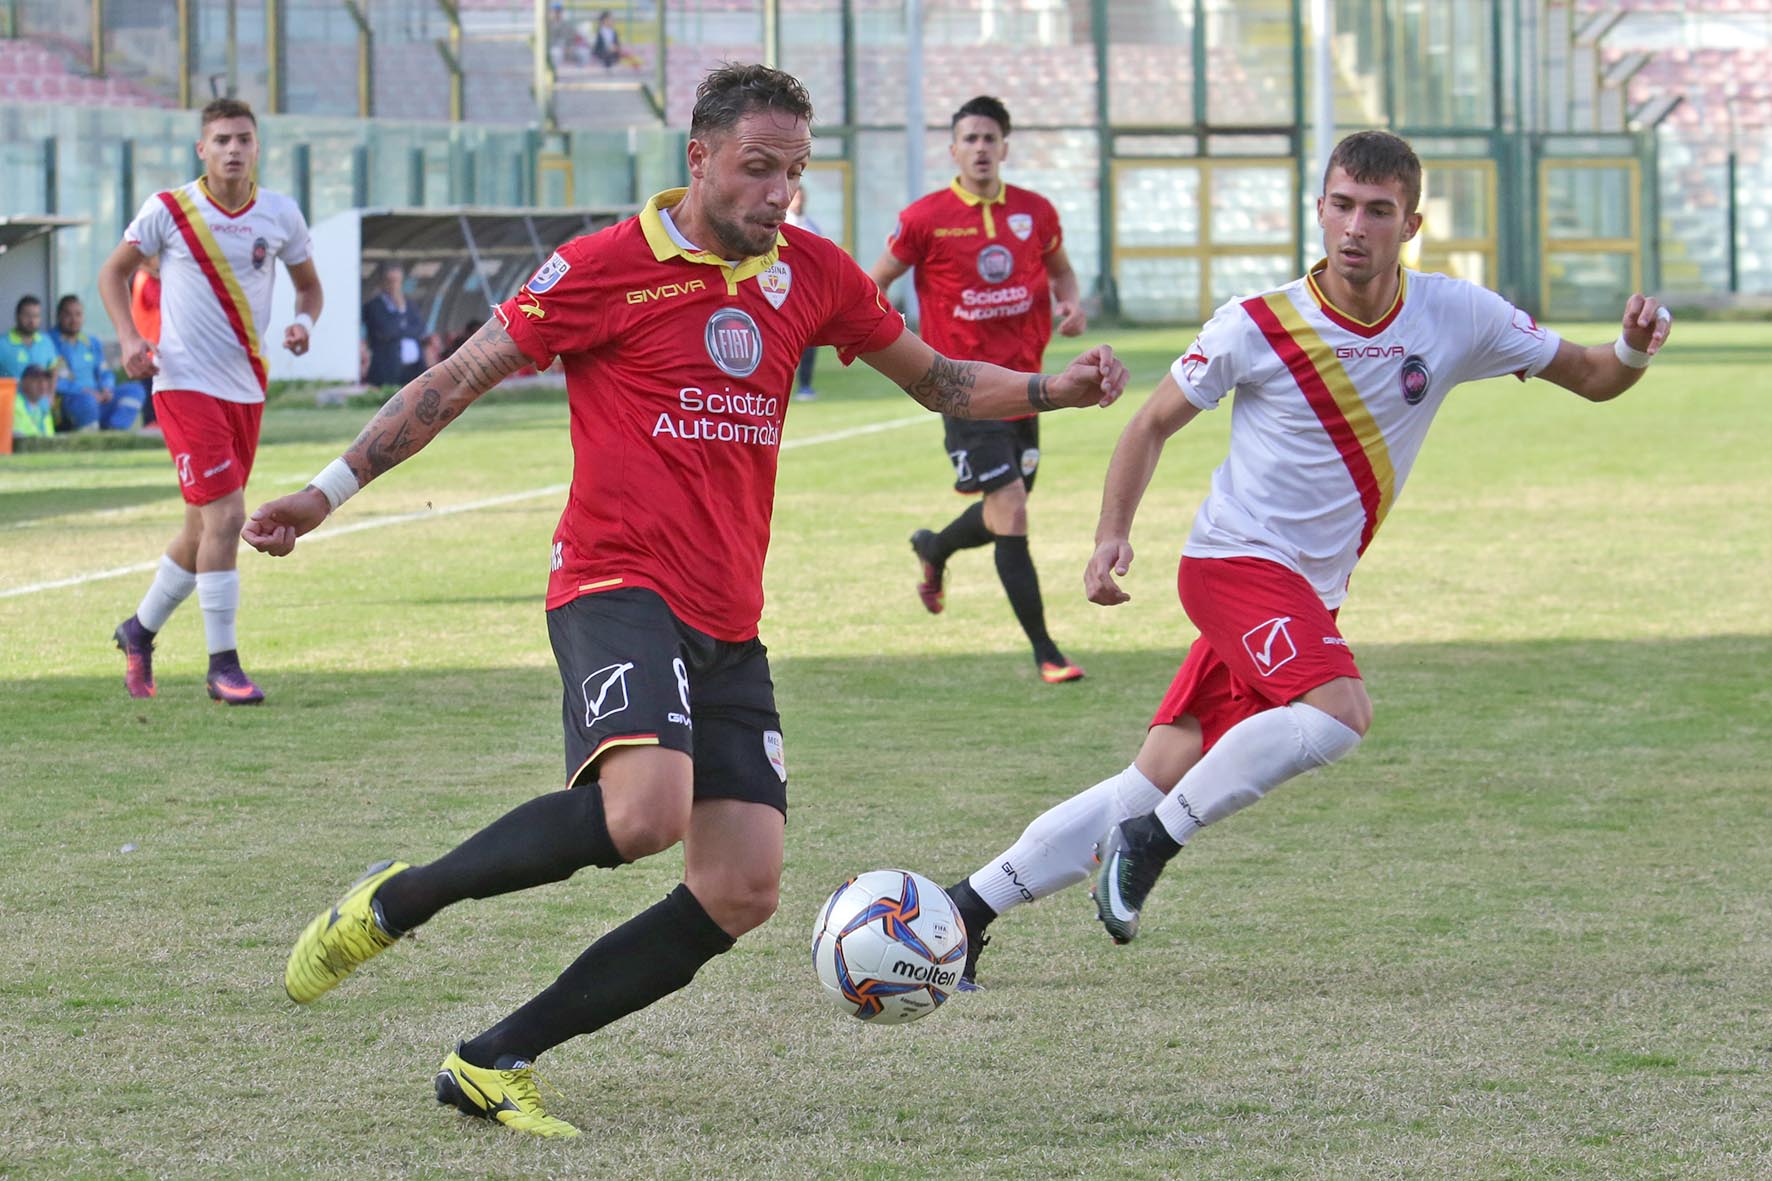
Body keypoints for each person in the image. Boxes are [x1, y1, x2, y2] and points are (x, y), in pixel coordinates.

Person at [241, 64, 1125, 1139]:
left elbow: (937, 376)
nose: (778, 195)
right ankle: (399, 900)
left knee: (742, 886)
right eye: (759, 168)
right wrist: (324, 493)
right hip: (614, 581)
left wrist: (1050, 390)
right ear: (697, 158)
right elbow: (455, 378)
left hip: (727, 616)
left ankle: (491, 1055)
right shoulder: (603, 267)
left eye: (794, 172)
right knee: (644, 813)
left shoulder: (809, 270)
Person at [940, 130, 1675, 989]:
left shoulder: (1456, 315)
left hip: (1301, 597)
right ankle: (1154, 842)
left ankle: (965, 907)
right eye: (1340, 204)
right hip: (1232, 565)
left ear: (1412, 225)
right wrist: (1111, 533)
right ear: (1318, 209)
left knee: (1153, 776)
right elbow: (1150, 423)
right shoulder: (1257, 323)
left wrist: (1632, 347)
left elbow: (1592, 375)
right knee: (1337, 710)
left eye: (1377, 210)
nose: (1354, 226)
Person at [96, 97, 324, 705]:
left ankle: (138, 630)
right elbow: (112, 274)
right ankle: (223, 665)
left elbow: (310, 287)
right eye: (221, 139)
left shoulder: (279, 214)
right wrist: (128, 339)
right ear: (202, 148)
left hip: (245, 388)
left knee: (201, 528)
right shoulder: (170, 209)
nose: (232, 149)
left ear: (256, 147)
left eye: (243, 139)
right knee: (227, 517)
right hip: (182, 384)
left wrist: (303, 322)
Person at [870, 95, 1089, 685]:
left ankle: (935, 547)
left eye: (990, 138)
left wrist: (1070, 301)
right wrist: (884, 345)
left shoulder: (1035, 213)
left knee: (1004, 509)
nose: (981, 149)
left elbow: (1061, 268)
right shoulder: (924, 218)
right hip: (962, 387)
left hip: (1027, 385)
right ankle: (1047, 652)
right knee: (1012, 507)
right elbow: (876, 284)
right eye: (970, 139)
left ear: (1005, 147)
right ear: (954, 150)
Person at [52, 294, 146, 431]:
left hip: (98, 398)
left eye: (78, 314)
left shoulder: (91, 342)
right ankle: (91, 437)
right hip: (74, 400)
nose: (74, 320)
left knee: (135, 390)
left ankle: (115, 433)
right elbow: (53, 381)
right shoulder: (49, 342)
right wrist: (84, 391)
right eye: (68, 315)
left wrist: (107, 388)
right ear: (59, 316)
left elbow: (105, 372)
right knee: (87, 400)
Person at [784, 186, 825, 400]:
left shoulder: (811, 226)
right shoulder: (780, 225)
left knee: (809, 342)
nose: (798, 201)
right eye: (795, 197)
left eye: (801, 197)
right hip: (783, 293)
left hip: (806, 295)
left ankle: (805, 386)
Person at [361, 263, 425, 387]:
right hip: (388, 368)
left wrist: (402, 329)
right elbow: (387, 331)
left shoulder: (410, 304)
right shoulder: (374, 306)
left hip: (413, 366)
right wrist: (400, 312)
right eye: (391, 281)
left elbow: (420, 328)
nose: (394, 286)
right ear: (382, 283)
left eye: (398, 281)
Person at [130, 257, 162, 427]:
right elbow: (159, 300)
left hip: (154, 351)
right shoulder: (146, 278)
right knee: (153, 408)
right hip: (151, 352)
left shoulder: (147, 277)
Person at [2, 295, 61, 382]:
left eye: (36, 316)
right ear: (17, 316)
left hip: (40, 395)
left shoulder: (46, 341)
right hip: (11, 395)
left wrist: (49, 395)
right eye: (27, 315)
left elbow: (53, 370)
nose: (32, 320)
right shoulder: (3, 343)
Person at [11, 364, 56, 439]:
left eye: (45, 380)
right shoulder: (14, 403)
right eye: (36, 380)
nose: (42, 385)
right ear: (23, 382)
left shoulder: (44, 406)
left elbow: (50, 436)